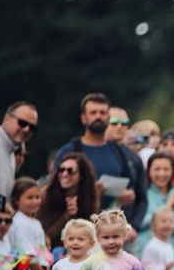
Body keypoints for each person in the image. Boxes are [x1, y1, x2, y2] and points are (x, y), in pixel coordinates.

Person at [54, 93, 145, 230]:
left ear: (108, 118)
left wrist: (128, 196)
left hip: (111, 230)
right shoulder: (70, 152)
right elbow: (54, 192)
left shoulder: (120, 153)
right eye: (93, 113)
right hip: (77, 230)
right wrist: (90, 191)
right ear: (84, 118)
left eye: (103, 113)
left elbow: (135, 192)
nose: (98, 117)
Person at [39, 153, 99, 247]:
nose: (65, 174)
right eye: (61, 170)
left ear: (81, 175)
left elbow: (90, 232)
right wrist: (67, 216)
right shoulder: (46, 195)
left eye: (70, 171)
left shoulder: (89, 197)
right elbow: (45, 236)